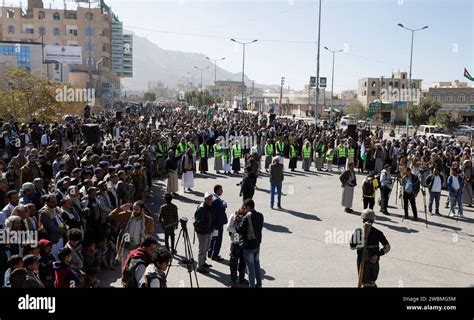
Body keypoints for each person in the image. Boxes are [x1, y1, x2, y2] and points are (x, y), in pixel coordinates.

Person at [350, 209, 390, 288]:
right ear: (373, 221)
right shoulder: (378, 233)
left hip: (363, 263)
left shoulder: (358, 232)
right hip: (374, 262)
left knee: (366, 284)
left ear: (363, 219)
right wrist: (377, 255)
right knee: (372, 283)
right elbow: (387, 247)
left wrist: (360, 244)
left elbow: (352, 247)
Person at [108, 201, 155, 267]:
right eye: (133, 209)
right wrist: (121, 208)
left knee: (135, 267)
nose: (134, 211)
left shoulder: (148, 220)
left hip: (138, 248)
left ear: (142, 210)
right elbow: (111, 216)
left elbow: (150, 234)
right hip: (126, 247)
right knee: (125, 266)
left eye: (136, 209)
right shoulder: (127, 215)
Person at [235, 199, 264, 288]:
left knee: (250, 269)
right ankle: (259, 284)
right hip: (257, 244)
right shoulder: (260, 215)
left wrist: (237, 221)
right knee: (257, 264)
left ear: (248, 207)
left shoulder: (246, 218)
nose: (243, 209)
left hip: (248, 246)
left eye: (244, 207)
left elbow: (239, 229)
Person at [39, 194, 66, 258]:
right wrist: (64, 231)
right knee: (55, 257)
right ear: (46, 202)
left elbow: (60, 221)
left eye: (55, 201)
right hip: (53, 240)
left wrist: (65, 227)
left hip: (60, 238)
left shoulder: (55, 209)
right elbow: (52, 227)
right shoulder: (44, 212)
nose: (55, 203)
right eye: (52, 202)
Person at [194, 192, 214, 274]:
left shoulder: (208, 206)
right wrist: (205, 232)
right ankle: (199, 267)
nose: (210, 200)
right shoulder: (202, 208)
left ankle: (203, 262)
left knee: (206, 248)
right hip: (203, 232)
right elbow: (200, 222)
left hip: (207, 231)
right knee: (202, 250)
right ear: (204, 199)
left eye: (210, 198)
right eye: (208, 198)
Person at [227, 210, 247, 288]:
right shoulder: (233, 216)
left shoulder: (247, 217)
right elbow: (228, 228)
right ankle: (233, 280)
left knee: (243, 262)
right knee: (233, 263)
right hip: (235, 243)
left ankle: (241, 278)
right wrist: (238, 229)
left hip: (244, 243)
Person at [208, 185, 228, 262]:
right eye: (221, 190)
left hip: (214, 223)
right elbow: (221, 209)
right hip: (218, 223)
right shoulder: (216, 200)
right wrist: (224, 204)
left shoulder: (213, 197)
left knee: (214, 238)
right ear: (217, 190)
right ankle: (215, 255)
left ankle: (210, 252)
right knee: (218, 239)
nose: (222, 191)